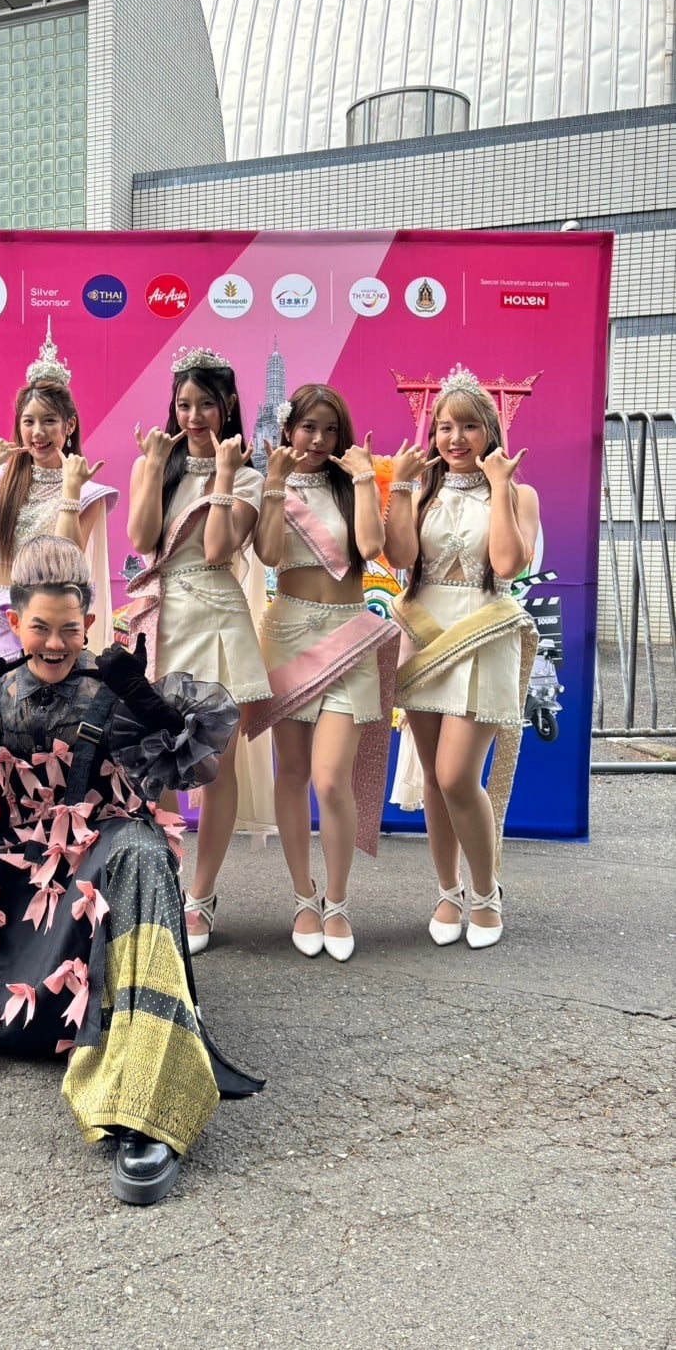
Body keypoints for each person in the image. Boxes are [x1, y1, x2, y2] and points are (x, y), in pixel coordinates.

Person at [0, 537, 261, 1206]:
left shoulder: (112, 685)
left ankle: (146, 1108)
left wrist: (145, 700)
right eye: (40, 627)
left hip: (110, 844)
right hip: (19, 858)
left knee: (142, 857)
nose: (56, 642)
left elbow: (193, 761)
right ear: (14, 623)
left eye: (70, 628)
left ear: (88, 624)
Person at [384, 367, 539, 951]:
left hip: (483, 634)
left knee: (456, 776)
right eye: (445, 426)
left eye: (469, 426)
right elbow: (400, 558)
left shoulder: (520, 494)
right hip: (424, 634)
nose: (456, 438)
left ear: (489, 432)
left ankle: (485, 890)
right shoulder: (423, 489)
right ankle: (447, 891)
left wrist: (499, 487)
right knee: (433, 778)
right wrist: (400, 489)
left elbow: (507, 565)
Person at [126, 346, 273, 955]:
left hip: (217, 620)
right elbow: (140, 538)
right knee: (156, 763)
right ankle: (162, 884)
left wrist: (223, 476)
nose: (192, 417)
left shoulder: (250, 476)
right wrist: (151, 466)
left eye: (205, 405)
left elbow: (216, 550)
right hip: (161, 623)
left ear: (228, 405)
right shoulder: (158, 464)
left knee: (214, 768)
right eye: (183, 405)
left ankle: (202, 895)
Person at [250, 385, 399, 961]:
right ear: (288, 430)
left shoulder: (353, 482)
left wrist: (362, 479)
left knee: (331, 779)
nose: (318, 439)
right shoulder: (276, 483)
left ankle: (337, 900)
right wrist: (272, 484)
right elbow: (267, 554)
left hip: (347, 635)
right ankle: (303, 897)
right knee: (291, 773)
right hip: (287, 633)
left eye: (330, 429)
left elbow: (372, 547)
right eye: (308, 427)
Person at [0, 320, 117, 657]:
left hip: (50, 625)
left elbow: (66, 563)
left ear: (69, 425)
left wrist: (71, 491)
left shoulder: (87, 492)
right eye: (29, 421)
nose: (38, 432)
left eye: (49, 421)